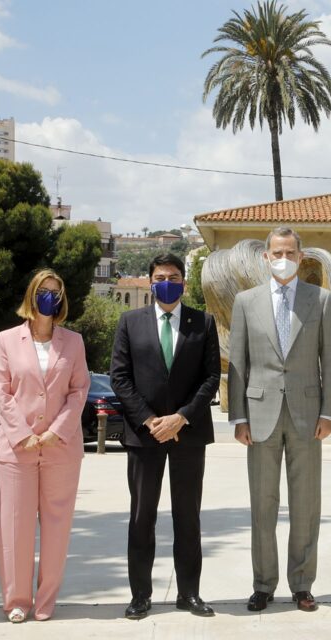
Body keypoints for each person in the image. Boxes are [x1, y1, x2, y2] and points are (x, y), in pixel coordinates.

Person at [228, 226, 331, 613]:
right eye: (277, 252)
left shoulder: (321, 299)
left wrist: (328, 411)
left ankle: (302, 584)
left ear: (301, 255)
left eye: (290, 252)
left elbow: (330, 359)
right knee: (263, 504)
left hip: (308, 415)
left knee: (306, 504)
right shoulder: (245, 301)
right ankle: (263, 584)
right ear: (265, 255)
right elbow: (237, 363)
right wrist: (237, 417)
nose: (283, 259)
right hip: (259, 416)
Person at [110, 254, 221, 620]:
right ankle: (140, 595)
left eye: (174, 277)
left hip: (188, 435)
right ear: (150, 281)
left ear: (184, 283)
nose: (167, 282)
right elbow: (120, 378)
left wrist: (181, 418)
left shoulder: (202, 323)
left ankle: (189, 593)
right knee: (142, 516)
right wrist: (150, 420)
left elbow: (210, 379)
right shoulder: (130, 322)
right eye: (160, 277)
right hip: (145, 437)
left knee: (187, 516)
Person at [0, 269, 88, 623]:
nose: (51, 297)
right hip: (17, 449)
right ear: (31, 295)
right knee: (14, 526)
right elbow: (1, 390)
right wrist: (22, 433)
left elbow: (79, 390)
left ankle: (46, 600)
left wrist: (57, 430)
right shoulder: (5, 340)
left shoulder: (73, 342)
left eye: (57, 292)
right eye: (45, 291)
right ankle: (17, 600)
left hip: (60, 448)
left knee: (57, 525)